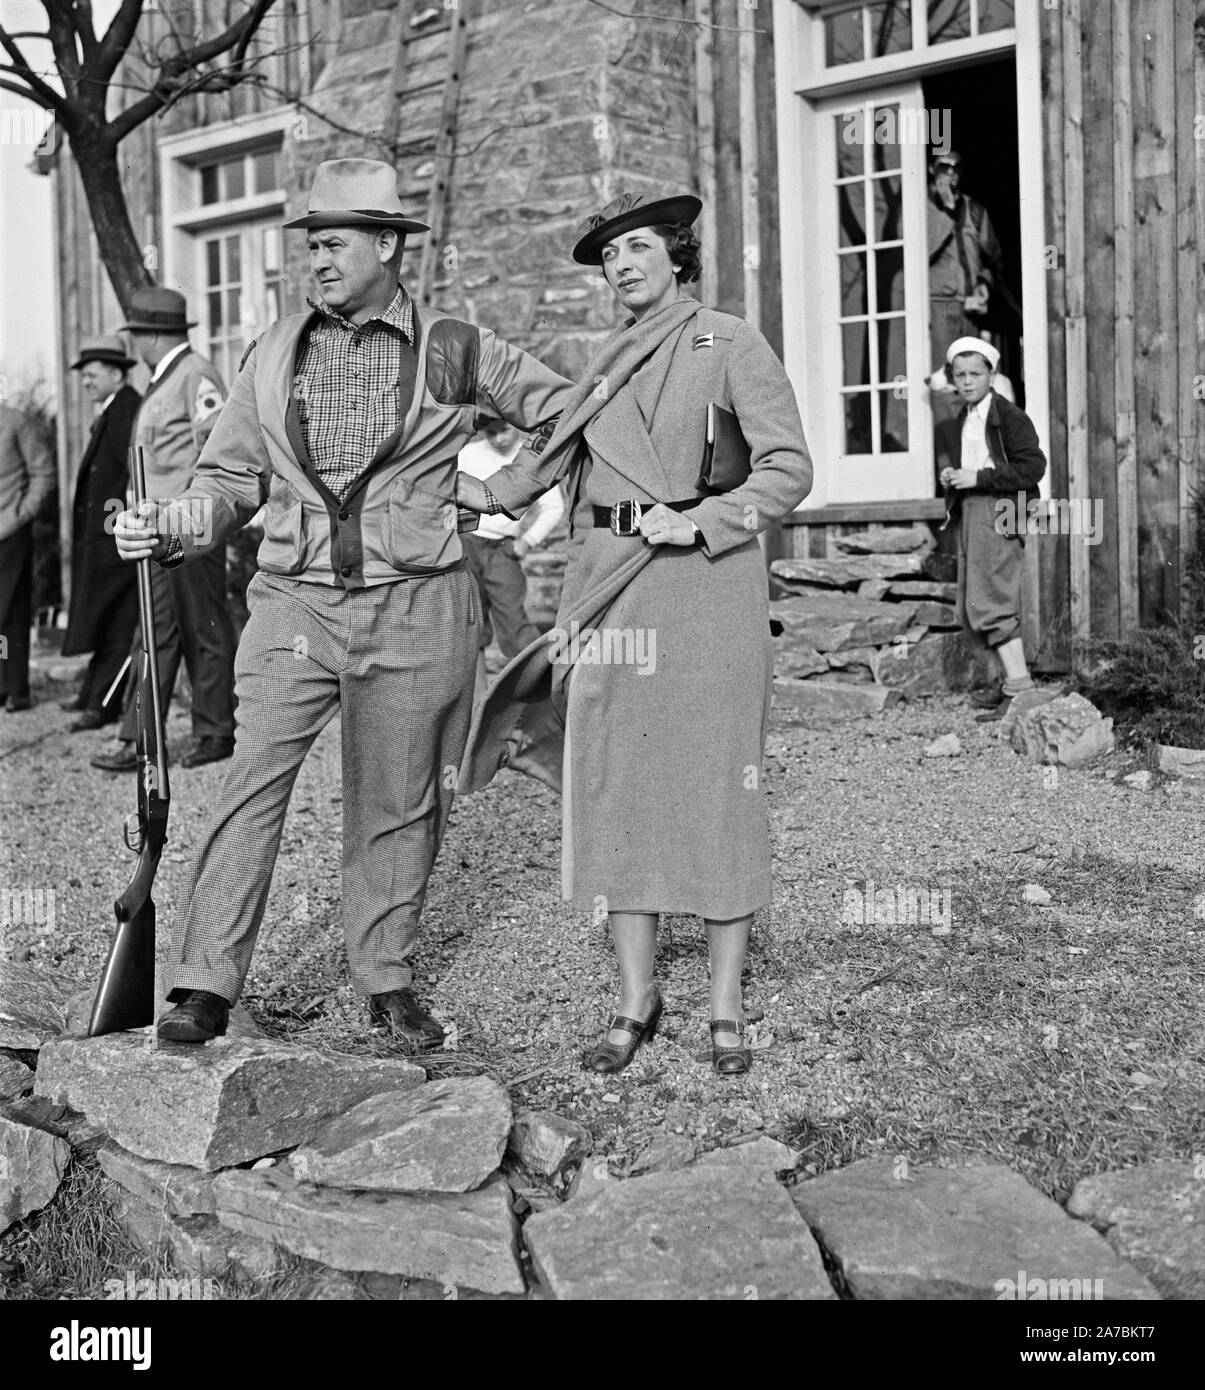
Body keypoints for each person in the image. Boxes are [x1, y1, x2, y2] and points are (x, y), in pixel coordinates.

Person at [113, 158, 573, 1047]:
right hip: (293, 604)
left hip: (421, 605)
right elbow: (228, 476)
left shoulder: (455, 346)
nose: (316, 261)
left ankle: (384, 977)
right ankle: (205, 983)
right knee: (250, 785)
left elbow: (566, 413)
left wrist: (506, 487)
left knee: (397, 800)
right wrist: (174, 522)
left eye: (333, 243)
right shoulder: (272, 349)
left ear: (388, 245)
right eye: (311, 244)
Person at [458, 191, 814, 1076]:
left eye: (638, 246)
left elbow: (788, 468)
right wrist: (445, 486)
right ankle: (634, 1001)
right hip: (608, 586)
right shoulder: (600, 363)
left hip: (706, 586)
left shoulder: (728, 340)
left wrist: (703, 522)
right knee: (616, 782)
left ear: (678, 255)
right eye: (609, 253)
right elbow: (535, 470)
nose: (621, 264)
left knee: (718, 783)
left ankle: (725, 1007)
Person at [91, 288, 236, 773]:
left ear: (152, 334)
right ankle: (140, 738)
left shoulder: (195, 375)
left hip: (191, 527)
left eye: (136, 334)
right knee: (152, 632)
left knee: (204, 627)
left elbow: (218, 452)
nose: (133, 343)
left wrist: (192, 516)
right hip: (157, 530)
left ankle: (215, 731)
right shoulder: (162, 380)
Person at [936, 336, 1045, 721]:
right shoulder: (963, 418)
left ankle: (1020, 689)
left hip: (999, 511)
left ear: (992, 375)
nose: (967, 381)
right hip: (971, 511)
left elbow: (1033, 467)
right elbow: (975, 466)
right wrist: (954, 477)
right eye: (960, 374)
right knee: (974, 598)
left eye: (975, 374)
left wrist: (978, 477)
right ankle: (1009, 684)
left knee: (991, 598)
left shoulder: (1009, 416)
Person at [60, 336, 141, 730]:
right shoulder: (114, 410)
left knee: (118, 624)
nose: (86, 382)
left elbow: (133, 477)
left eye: (92, 375)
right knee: (108, 620)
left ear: (115, 374)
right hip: (106, 541)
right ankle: (94, 695)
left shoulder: (126, 412)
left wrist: (117, 530)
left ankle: (102, 704)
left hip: (115, 543)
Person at [458, 416, 564, 668]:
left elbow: (553, 507)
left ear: (515, 425)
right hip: (467, 545)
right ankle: (476, 701)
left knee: (514, 622)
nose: (499, 438)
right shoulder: (468, 454)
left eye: (504, 430)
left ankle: (535, 690)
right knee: (469, 622)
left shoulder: (532, 458)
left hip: (502, 548)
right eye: (491, 433)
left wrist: (527, 541)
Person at [0, 401, 56, 712]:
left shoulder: (16, 421)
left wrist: (21, 515)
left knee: (9, 613)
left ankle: (17, 689)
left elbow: (43, 470)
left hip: (9, 533)